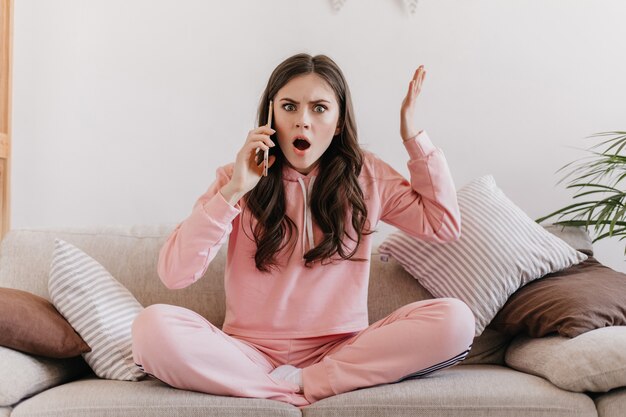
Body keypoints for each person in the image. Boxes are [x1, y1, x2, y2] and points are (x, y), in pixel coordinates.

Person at [131, 53, 475, 408]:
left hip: (342, 352)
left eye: (320, 108)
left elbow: (443, 225)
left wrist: (412, 136)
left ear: (339, 122)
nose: (303, 122)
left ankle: (302, 383)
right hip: (248, 353)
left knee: (456, 321)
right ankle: (286, 389)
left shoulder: (368, 176)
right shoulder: (233, 179)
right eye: (290, 107)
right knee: (150, 327)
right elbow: (174, 274)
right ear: (270, 116)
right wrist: (235, 189)